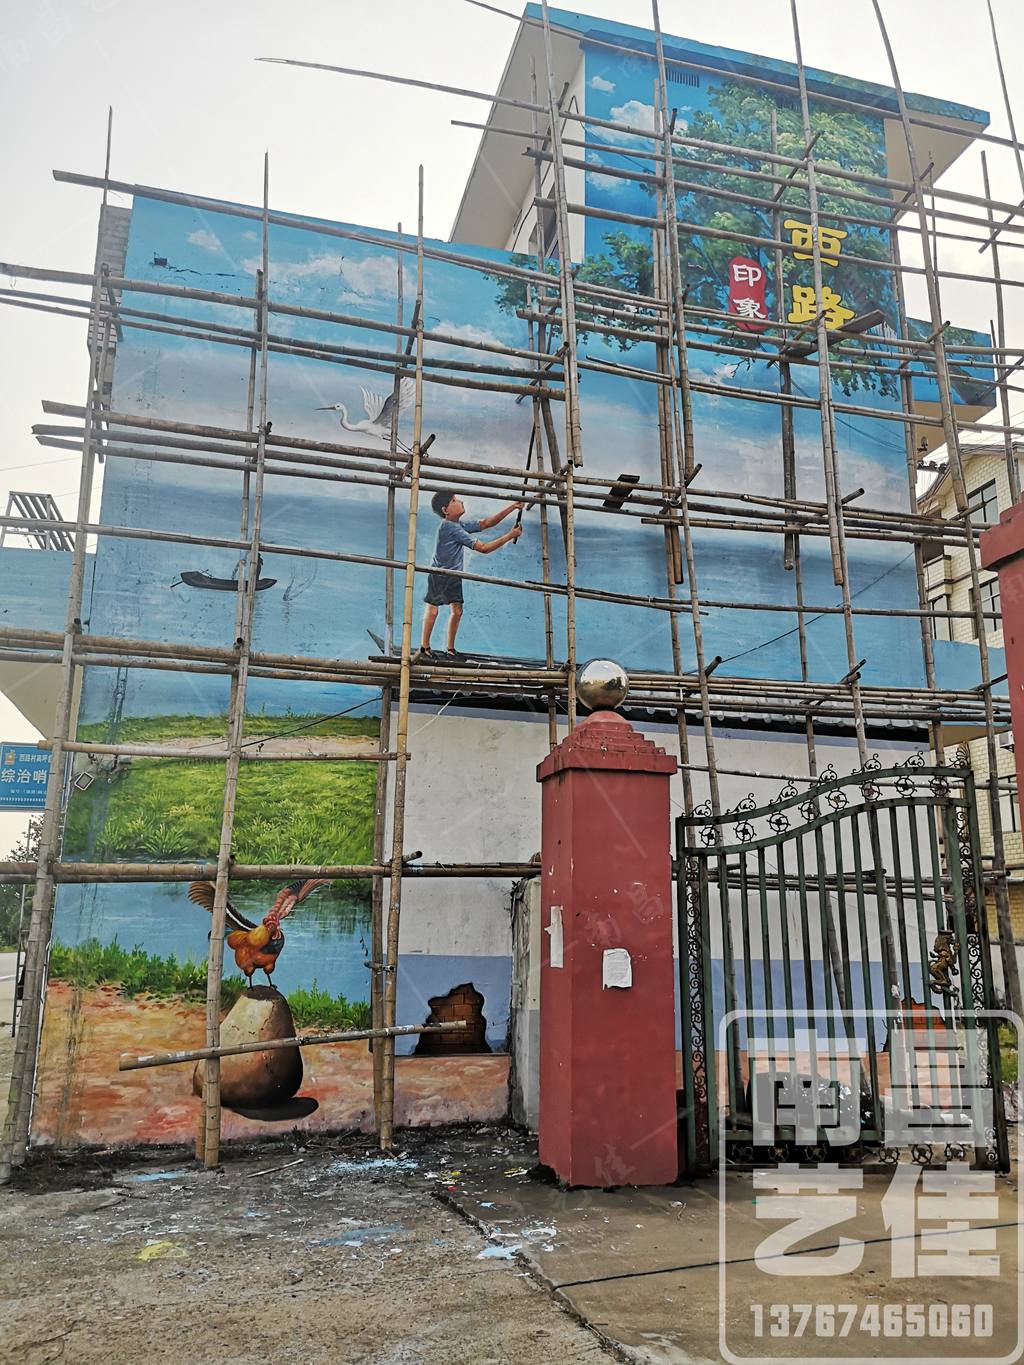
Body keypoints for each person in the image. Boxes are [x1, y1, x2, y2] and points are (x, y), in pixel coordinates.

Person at [418, 490, 523, 658]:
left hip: (453, 575)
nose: (460, 501)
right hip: (439, 574)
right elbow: (484, 548)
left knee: (457, 610)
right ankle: (424, 648)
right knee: (433, 609)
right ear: (446, 510)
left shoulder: (458, 525)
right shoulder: (450, 528)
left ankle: (450, 650)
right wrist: (510, 535)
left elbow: (486, 523)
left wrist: (512, 507)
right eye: (454, 500)